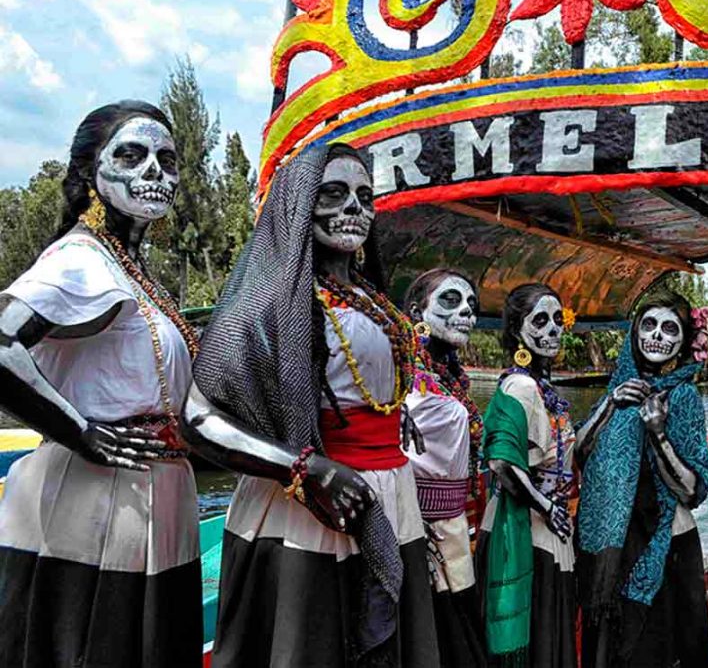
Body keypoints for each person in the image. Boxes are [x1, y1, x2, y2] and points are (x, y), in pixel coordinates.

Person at [181, 143, 440, 667]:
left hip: (391, 495)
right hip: (307, 511)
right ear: (299, 203)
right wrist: (306, 468)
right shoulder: (271, 302)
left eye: (365, 197)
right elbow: (196, 418)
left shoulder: (372, 299)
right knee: (312, 644)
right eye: (334, 193)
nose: (354, 208)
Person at [0, 101, 203, 667]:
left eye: (167, 159)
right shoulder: (79, 260)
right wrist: (80, 430)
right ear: (92, 173)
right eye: (132, 156)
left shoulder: (131, 270)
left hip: (155, 496)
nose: (154, 173)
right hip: (97, 498)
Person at [576, 291, 708, 668]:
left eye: (669, 328)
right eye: (649, 325)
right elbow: (579, 454)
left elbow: (692, 489)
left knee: (653, 648)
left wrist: (657, 433)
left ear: (683, 342)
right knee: (611, 645)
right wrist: (611, 403)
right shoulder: (619, 387)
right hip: (615, 544)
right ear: (635, 332)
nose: (657, 335)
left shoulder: (683, 397)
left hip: (664, 545)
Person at [476, 283, 576, 667]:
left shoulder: (541, 386)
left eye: (557, 320)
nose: (552, 330)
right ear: (519, 330)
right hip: (529, 531)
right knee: (538, 637)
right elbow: (501, 462)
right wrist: (547, 506)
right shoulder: (520, 386)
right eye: (540, 321)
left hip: (547, 528)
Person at [403, 268, 486, 667]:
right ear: (418, 310)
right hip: (415, 532)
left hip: (452, 529)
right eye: (451, 301)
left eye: (472, 304)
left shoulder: (452, 378)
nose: (466, 312)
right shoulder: (401, 376)